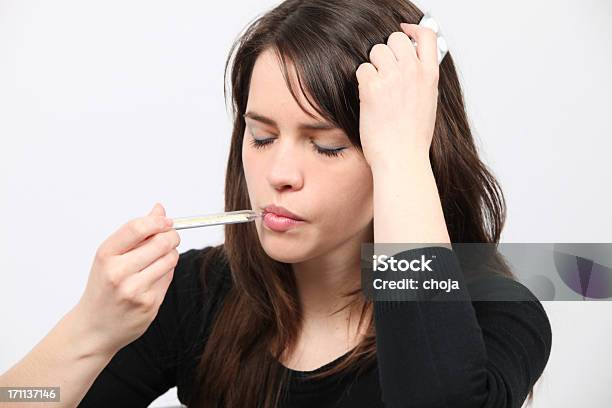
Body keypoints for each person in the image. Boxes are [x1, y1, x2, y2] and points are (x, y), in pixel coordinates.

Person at [0, 0, 552, 407]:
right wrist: (88, 331)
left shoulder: (498, 311)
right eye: (261, 137)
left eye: (328, 146)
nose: (278, 175)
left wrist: (403, 156)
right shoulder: (199, 292)